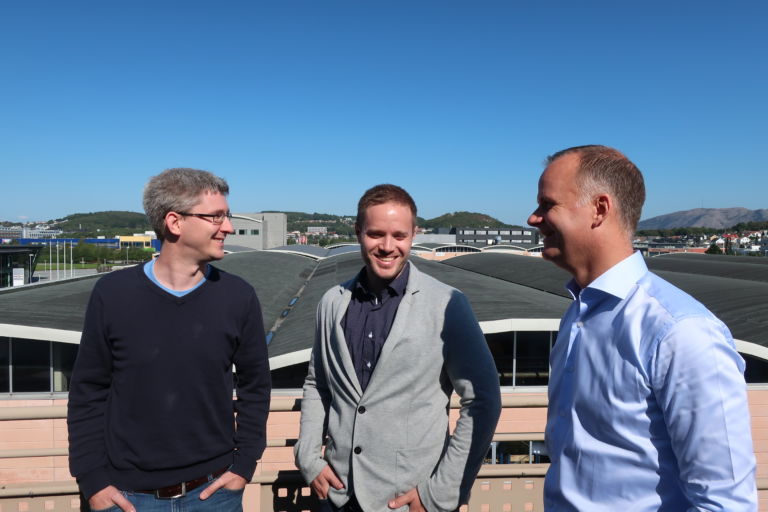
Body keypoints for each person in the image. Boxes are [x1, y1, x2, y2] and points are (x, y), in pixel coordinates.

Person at [528, 145, 757, 511]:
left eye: (547, 204)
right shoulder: (577, 314)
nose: (532, 219)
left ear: (599, 209)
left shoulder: (681, 332)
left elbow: (724, 502)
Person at [67, 168, 271, 512]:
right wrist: (92, 480)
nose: (229, 228)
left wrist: (244, 465)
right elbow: (88, 390)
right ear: (174, 222)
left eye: (227, 216)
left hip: (214, 494)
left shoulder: (239, 296)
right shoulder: (113, 295)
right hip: (126, 498)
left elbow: (256, 386)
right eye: (215, 217)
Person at [294, 184, 501, 512]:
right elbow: (317, 385)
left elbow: (484, 400)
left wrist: (439, 493)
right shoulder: (332, 303)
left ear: (413, 235)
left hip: (407, 501)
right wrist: (307, 458)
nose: (388, 247)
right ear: (358, 232)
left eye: (399, 236)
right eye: (376, 234)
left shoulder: (447, 304)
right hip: (335, 494)